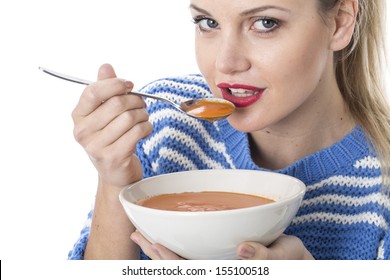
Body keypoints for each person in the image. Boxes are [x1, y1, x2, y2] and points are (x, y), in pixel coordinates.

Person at [68, 0, 390, 260]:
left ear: (340, 22)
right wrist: (114, 180)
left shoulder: (382, 184)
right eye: (208, 22)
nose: (225, 62)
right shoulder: (163, 123)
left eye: (265, 23)